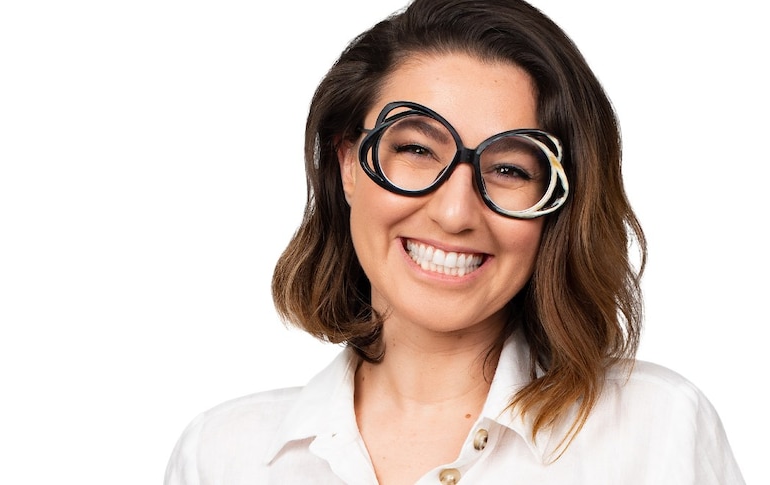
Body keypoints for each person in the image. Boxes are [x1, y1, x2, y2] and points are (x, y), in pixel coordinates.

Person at [164, 0, 745, 483]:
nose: (455, 211)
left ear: (558, 204)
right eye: (416, 150)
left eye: (511, 169)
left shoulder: (658, 432)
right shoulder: (224, 457)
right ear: (348, 164)